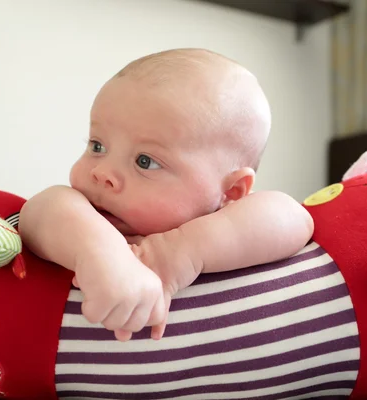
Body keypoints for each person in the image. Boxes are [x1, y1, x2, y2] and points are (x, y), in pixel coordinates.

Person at [19, 48, 314, 342]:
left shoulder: (221, 232)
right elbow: (38, 214)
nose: (102, 172)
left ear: (230, 192)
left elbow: (294, 218)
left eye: (145, 161)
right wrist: (100, 253)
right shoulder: (81, 217)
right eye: (97, 146)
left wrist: (175, 252)